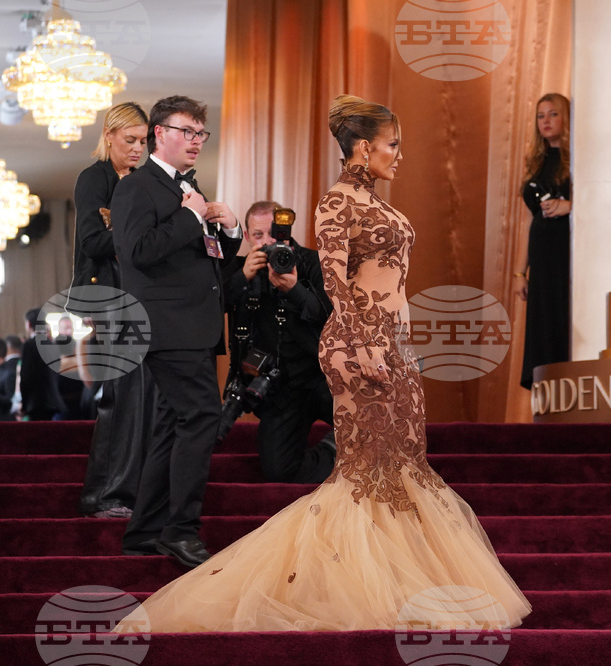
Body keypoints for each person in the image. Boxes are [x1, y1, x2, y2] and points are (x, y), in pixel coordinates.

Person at [116, 94, 530, 633]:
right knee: (365, 473)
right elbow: (335, 283)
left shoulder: (375, 203)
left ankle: (403, 577)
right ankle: (350, 581)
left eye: (202, 132)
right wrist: (361, 344)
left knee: (401, 468)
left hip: (394, 343)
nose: (399, 155)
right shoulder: (335, 203)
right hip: (357, 345)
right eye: (393, 145)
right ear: (363, 147)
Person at [111, 95, 242, 567]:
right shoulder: (136, 188)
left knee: (172, 424)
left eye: (202, 133)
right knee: (203, 415)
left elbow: (205, 262)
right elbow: (137, 252)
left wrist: (229, 231)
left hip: (195, 325)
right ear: (158, 133)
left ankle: (145, 531)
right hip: (166, 326)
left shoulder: (189, 189)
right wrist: (190, 216)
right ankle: (181, 529)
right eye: (187, 131)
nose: (196, 142)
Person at [72, 101, 155, 518]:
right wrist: (136, 237)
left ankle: (128, 493)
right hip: (102, 298)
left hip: (139, 299)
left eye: (144, 141)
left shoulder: (142, 181)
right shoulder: (95, 177)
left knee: (141, 398)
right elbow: (92, 241)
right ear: (109, 136)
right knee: (120, 398)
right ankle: (104, 496)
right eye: (131, 140)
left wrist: (123, 232)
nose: (139, 148)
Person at [220, 200, 336, 483]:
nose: (268, 242)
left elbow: (331, 317)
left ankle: (346, 444)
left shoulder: (312, 262)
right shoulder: (240, 267)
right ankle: (334, 451)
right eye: (258, 235)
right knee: (279, 470)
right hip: (280, 389)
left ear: (285, 230)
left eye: (274, 233)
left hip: (323, 377)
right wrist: (242, 277)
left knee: (375, 426)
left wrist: (295, 290)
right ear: (247, 237)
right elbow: (210, 307)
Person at [514, 93, 572, 390]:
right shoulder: (537, 161)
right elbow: (530, 220)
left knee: (564, 317)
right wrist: (520, 272)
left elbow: (607, 202)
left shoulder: (577, 157)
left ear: (566, 118)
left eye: (553, 114)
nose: (546, 122)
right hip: (541, 254)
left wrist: (570, 206)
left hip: (567, 252)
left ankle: (569, 390)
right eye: (540, 116)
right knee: (543, 322)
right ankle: (548, 393)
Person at [19, 308, 65, 421]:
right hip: (53, 400)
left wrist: (24, 403)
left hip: (36, 402)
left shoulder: (29, 345)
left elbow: (26, 376)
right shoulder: (53, 345)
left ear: (28, 324)